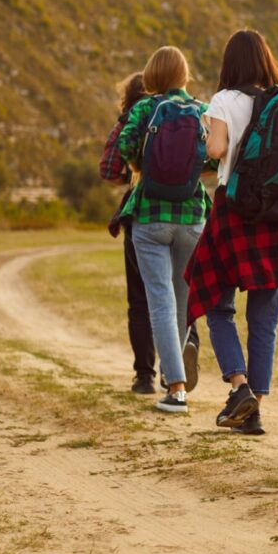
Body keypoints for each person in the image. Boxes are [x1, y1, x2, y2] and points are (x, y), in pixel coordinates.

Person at [185, 29, 278, 436]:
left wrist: (206, 135)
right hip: (277, 215)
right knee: (265, 318)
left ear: (230, 63)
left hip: (235, 211)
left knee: (218, 305)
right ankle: (255, 406)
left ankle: (239, 388)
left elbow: (217, 150)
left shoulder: (224, 100)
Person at [116, 46, 211, 414]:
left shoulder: (143, 109)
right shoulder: (202, 110)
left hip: (150, 214)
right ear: (183, 75)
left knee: (159, 301)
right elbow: (215, 156)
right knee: (183, 300)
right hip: (191, 215)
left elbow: (125, 147)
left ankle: (176, 387)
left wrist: (149, 166)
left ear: (154, 74)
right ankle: (182, 358)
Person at [100, 72, 157, 394]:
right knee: (176, 295)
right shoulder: (181, 108)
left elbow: (108, 170)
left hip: (140, 212)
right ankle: (176, 371)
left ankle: (144, 376)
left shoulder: (128, 120)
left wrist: (133, 176)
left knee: (140, 301)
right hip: (185, 212)